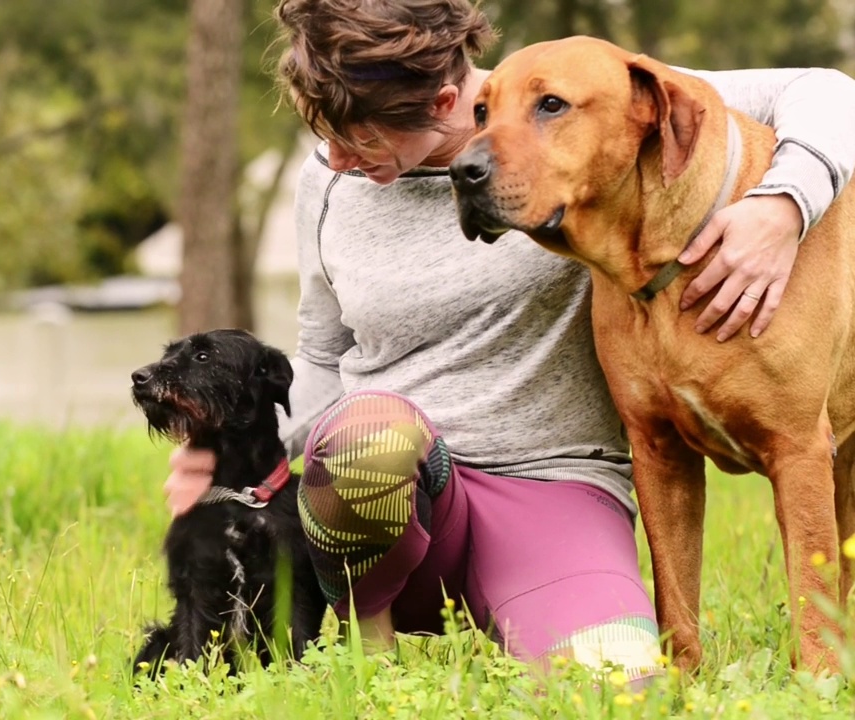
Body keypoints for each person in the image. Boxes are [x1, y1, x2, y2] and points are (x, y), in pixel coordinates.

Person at [163, 0, 855, 683]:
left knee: (615, 686)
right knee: (367, 436)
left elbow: (827, 92)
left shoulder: (582, 93)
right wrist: (227, 453)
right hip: (402, 487)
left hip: (554, 489)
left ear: (441, 104)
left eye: (361, 137)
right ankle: (370, 662)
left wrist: (783, 203)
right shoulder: (329, 179)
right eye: (326, 134)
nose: (337, 158)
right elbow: (320, 351)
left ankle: (546, 618)